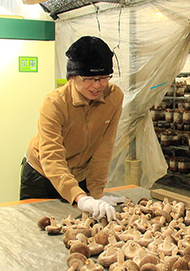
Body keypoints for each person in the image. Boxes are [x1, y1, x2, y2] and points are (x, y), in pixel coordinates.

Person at [20, 36, 124, 221]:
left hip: (78, 174)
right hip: (42, 174)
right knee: (37, 233)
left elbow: (104, 148)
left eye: (103, 78)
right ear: (72, 77)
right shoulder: (55, 103)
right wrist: (80, 198)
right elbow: (51, 154)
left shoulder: (113, 98)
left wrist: (97, 193)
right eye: (89, 79)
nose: (97, 85)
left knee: (80, 230)